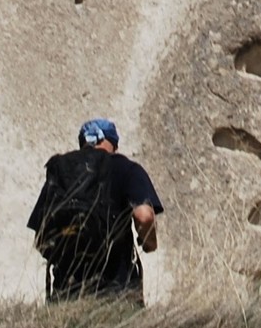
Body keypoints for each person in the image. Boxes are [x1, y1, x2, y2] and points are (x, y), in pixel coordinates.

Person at [28, 118, 163, 302]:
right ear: (113, 143)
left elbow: (41, 236)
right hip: (117, 292)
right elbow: (144, 216)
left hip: (66, 293)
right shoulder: (125, 167)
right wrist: (149, 244)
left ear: (83, 143)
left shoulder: (61, 170)